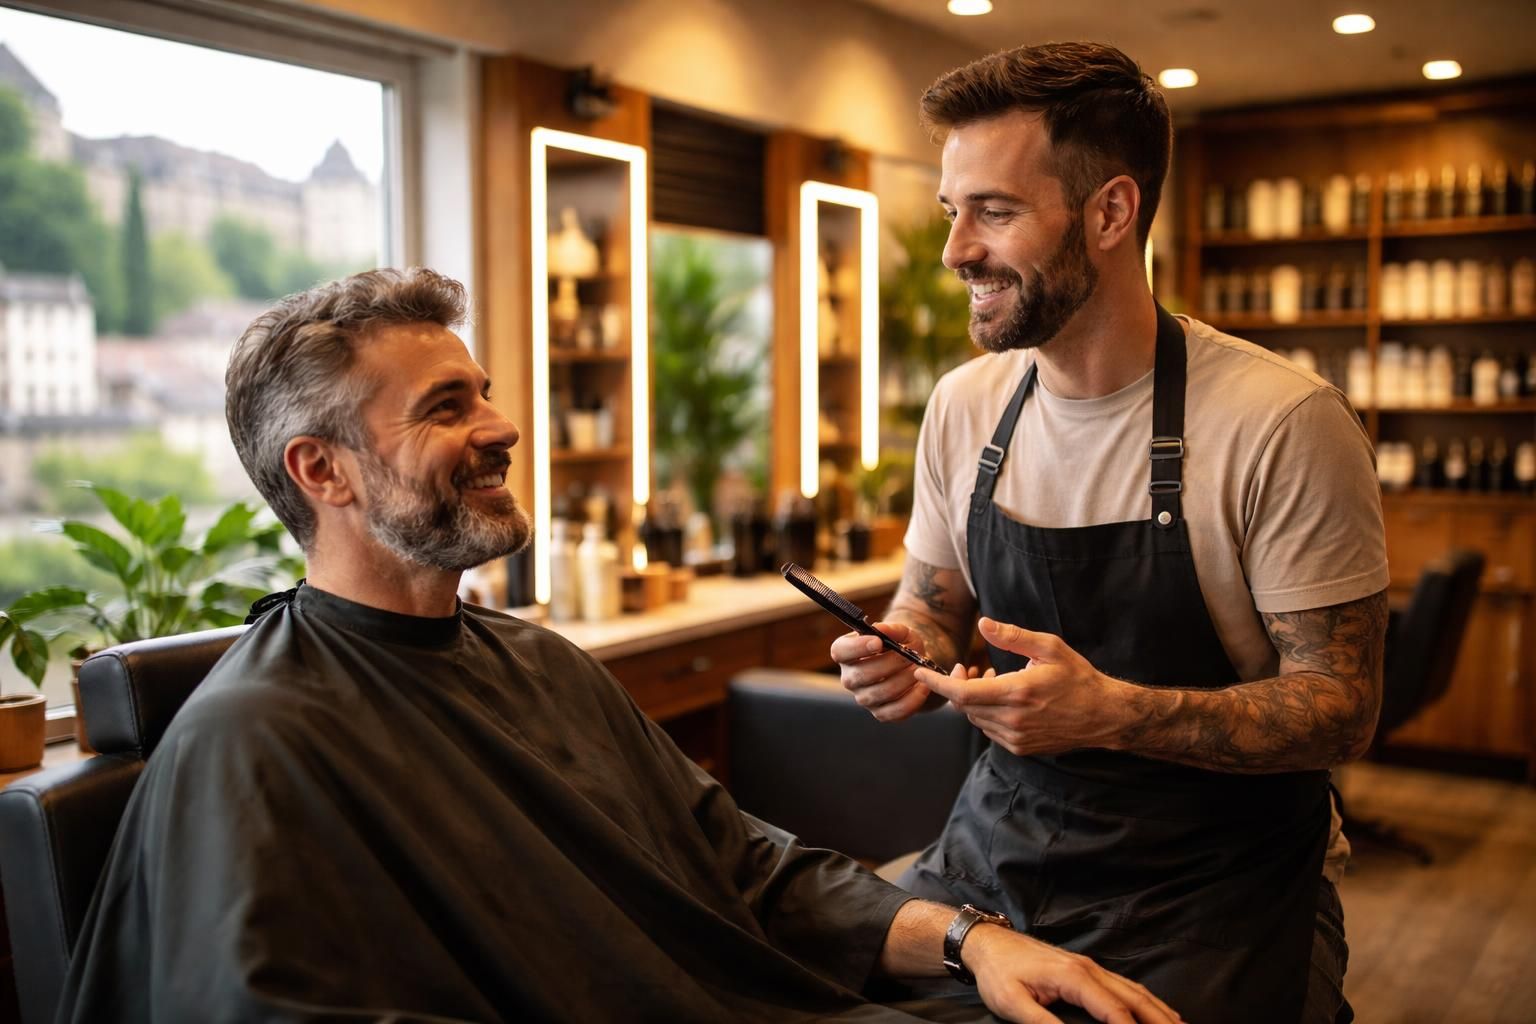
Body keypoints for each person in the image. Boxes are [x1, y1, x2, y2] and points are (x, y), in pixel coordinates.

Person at [56, 268, 1179, 1024]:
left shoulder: (538, 663)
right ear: (321, 471)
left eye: (485, 394)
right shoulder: (256, 742)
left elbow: (746, 870)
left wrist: (971, 942)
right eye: (446, 408)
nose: (499, 426)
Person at [831, 42, 1388, 1024]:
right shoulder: (965, 406)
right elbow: (935, 598)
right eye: (951, 211)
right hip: (1001, 853)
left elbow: (1341, 707)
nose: (956, 249)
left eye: (994, 212)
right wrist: (909, 643)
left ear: (1111, 212)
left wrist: (1113, 712)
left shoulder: (1281, 422)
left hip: (1217, 885)